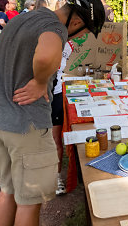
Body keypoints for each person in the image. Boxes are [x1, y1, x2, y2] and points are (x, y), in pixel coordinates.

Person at [0, 0, 105, 226]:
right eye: (83, 32)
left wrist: (0, 96)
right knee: (29, 201)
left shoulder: (21, 18)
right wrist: (40, 82)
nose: (79, 37)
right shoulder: (55, 27)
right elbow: (44, 57)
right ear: (78, 21)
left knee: (7, 191)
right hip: (27, 127)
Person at [51, 40, 73, 195]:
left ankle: (56, 178)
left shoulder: (69, 45)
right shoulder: (39, 36)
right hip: (36, 96)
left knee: (55, 139)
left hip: (56, 93)